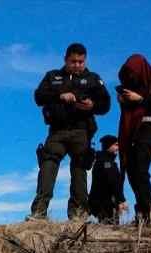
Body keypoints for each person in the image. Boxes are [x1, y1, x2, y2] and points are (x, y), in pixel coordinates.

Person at [28, 43, 111, 221]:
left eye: (81, 61)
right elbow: (38, 97)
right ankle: (39, 212)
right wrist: (60, 96)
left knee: (80, 170)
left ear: (85, 60)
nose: (77, 65)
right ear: (65, 59)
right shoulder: (53, 76)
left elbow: (106, 105)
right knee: (48, 165)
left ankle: (78, 214)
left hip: (81, 130)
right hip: (57, 130)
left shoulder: (93, 79)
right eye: (73, 61)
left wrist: (92, 105)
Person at [117, 54, 151, 225]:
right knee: (132, 171)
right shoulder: (131, 85)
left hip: (148, 127)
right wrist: (124, 100)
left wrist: (140, 99)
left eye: (134, 73)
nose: (132, 77)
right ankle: (143, 214)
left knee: (140, 169)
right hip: (131, 130)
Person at [89, 135, 127, 224]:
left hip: (104, 204)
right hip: (106, 205)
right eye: (116, 145)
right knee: (110, 227)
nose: (118, 148)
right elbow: (113, 182)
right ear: (109, 146)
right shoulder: (106, 162)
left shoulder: (103, 161)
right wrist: (121, 200)